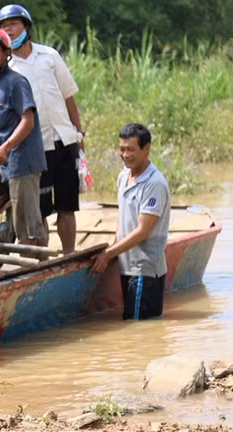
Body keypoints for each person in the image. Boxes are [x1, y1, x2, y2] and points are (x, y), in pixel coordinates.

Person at [0, 4, 86, 254]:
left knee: (67, 206)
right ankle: (42, 261)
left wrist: (78, 133)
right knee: (41, 209)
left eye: (13, 24)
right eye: (4, 27)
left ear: (26, 27)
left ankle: (68, 256)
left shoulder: (49, 56)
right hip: (35, 148)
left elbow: (68, 97)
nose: (9, 30)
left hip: (64, 139)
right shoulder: (7, 69)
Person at [0, 27, 47, 246]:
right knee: (25, 219)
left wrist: (5, 147)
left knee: (27, 228)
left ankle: (36, 265)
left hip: (22, 161)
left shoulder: (15, 82)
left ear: (7, 53)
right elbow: (8, 125)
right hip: (11, 161)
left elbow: (27, 121)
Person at [91, 123, 170, 320]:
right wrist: (114, 249)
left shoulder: (154, 184)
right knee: (134, 324)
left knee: (138, 327)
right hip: (127, 265)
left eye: (130, 150)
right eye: (121, 149)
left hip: (144, 270)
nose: (125, 155)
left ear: (147, 149)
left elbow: (143, 231)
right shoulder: (123, 177)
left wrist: (109, 254)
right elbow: (124, 218)